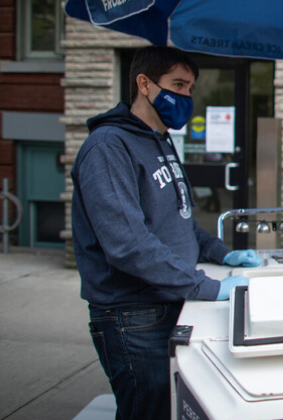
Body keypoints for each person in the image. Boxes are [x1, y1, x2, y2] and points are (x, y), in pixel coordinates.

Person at [71, 46, 259, 420]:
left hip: (169, 301)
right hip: (133, 313)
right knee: (148, 411)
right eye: (177, 85)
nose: (186, 96)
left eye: (190, 87)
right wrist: (207, 287)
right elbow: (128, 245)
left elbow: (181, 220)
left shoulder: (161, 141)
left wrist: (222, 253)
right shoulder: (109, 147)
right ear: (144, 84)